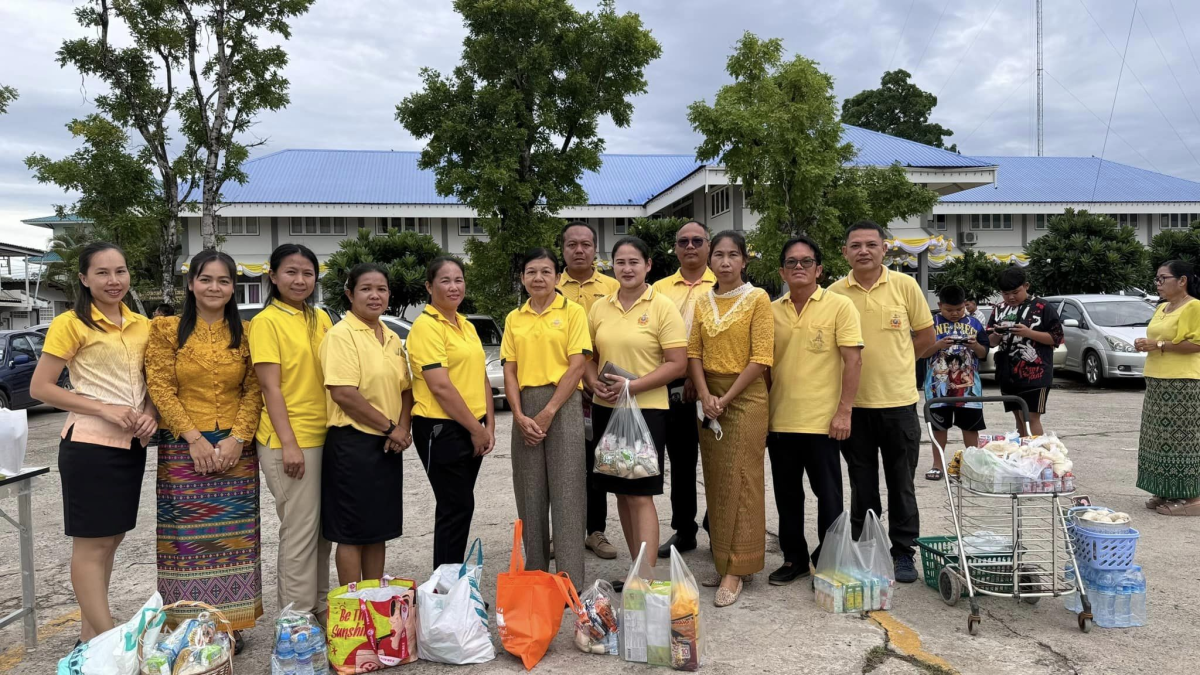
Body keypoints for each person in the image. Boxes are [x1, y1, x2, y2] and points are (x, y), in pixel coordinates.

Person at [30, 242, 157, 645]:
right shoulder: (71, 323)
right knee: (92, 545)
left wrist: (151, 412)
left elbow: (147, 382)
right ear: (84, 279)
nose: (113, 280)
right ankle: (109, 641)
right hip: (89, 447)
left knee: (111, 541)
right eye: (102, 273)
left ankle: (89, 638)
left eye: (120, 271)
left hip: (131, 448)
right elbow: (41, 387)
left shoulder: (142, 324)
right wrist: (103, 408)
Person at [145, 249, 262, 650]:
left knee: (233, 539)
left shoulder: (247, 333)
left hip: (236, 449)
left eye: (224, 281)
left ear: (233, 287)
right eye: (206, 279)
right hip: (182, 449)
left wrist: (238, 438)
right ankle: (187, 626)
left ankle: (230, 625)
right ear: (191, 283)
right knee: (185, 541)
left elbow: (255, 388)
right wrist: (193, 438)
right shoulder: (164, 330)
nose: (215, 287)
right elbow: (160, 386)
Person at [829, 221, 935, 584]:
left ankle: (904, 552)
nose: (863, 251)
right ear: (844, 252)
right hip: (853, 408)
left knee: (902, 483)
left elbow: (924, 337)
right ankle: (867, 549)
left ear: (884, 249)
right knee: (862, 484)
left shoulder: (905, 286)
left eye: (871, 244)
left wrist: (902, 362)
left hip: (899, 404)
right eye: (855, 245)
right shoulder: (834, 294)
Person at [586, 237, 687, 578]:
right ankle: (635, 570)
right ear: (612, 267)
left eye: (634, 262)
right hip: (606, 409)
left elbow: (677, 363)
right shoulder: (600, 307)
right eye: (620, 262)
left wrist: (633, 385)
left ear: (648, 266)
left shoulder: (661, 306)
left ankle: (646, 578)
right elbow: (589, 358)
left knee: (641, 495)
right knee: (621, 492)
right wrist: (592, 382)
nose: (627, 268)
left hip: (646, 411)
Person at [765, 235, 862, 586]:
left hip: (824, 423)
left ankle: (829, 557)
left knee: (829, 495)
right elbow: (763, 368)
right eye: (792, 263)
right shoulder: (771, 311)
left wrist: (844, 412)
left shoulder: (839, 306)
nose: (799, 268)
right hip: (781, 421)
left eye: (806, 262)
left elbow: (853, 361)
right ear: (782, 271)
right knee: (787, 496)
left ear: (819, 269)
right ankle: (793, 558)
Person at [687, 231, 773, 607]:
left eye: (732, 255)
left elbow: (762, 357)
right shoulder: (703, 301)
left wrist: (725, 397)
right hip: (710, 399)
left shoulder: (757, 298)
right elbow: (693, 352)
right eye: (718, 255)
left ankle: (739, 568)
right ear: (710, 261)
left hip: (746, 395)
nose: (724, 262)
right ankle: (724, 559)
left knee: (743, 477)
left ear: (744, 261)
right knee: (719, 479)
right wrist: (706, 395)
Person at [249, 243, 334, 620]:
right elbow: (271, 388)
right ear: (273, 276)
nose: (300, 280)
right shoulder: (266, 322)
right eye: (291, 272)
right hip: (290, 439)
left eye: (307, 273)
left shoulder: (321, 318)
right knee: (300, 531)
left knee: (322, 533)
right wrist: (289, 445)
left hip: (327, 434)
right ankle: (295, 621)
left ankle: (317, 607)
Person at [319, 263, 414, 584]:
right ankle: (354, 610)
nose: (375, 296)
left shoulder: (390, 336)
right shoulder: (341, 335)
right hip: (352, 445)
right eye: (366, 289)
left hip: (387, 445)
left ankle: (375, 600)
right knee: (352, 532)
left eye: (382, 289)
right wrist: (392, 428)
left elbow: (406, 389)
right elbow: (344, 393)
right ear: (350, 294)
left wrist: (403, 430)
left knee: (378, 529)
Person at [502, 248, 591, 585]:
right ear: (523, 278)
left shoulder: (573, 312)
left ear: (557, 276)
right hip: (524, 407)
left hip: (563, 404)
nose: (538, 278)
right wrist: (520, 415)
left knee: (568, 492)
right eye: (530, 272)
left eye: (545, 271)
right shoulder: (515, 318)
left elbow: (578, 365)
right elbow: (509, 370)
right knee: (530, 492)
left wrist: (549, 411)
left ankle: (570, 580)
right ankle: (536, 576)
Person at [407, 256, 495, 568]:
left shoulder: (466, 325)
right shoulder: (426, 327)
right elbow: (440, 386)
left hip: (473, 425)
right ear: (429, 286)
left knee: (461, 507)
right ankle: (444, 591)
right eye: (445, 280)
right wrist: (476, 429)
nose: (454, 286)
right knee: (454, 506)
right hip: (440, 429)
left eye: (458, 279)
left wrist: (489, 426)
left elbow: (481, 376)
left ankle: (452, 584)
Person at [556, 221, 621, 560]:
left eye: (585, 244)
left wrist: (593, 383)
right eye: (571, 244)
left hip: (601, 391)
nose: (579, 250)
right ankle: (562, 533)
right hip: (561, 392)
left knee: (598, 462)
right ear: (563, 249)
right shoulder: (549, 286)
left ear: (596, 249)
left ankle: (595, 531)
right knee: (563, 465)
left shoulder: (613, 286)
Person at [652, 220, 716, 557]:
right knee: (681, 461)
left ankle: (716, 524)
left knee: (719, 460)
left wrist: (699, 376)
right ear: (675, 248)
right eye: (683, 241)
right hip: (673, 385)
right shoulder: (659, 289)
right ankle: (684, 529)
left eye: (696, 240)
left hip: (716, 385)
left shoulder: (723, 283)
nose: (690, 247)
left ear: (708, 245)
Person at [1134, 261, 1200, 516]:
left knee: (1183, 440)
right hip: (1157, 378)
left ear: (1182, 280)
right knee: (1158, 438)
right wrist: (1147, 344)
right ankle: (1166, 489)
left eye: (1163, 279)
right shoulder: (1162, 307)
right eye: (1157, 280)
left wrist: (1159, 344)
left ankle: (1191, 496)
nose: (1158, 284)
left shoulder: (1194, 306)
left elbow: (1196, 344)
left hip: (1183, 381)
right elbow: (1160, 339)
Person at [920, 284, 988, 481]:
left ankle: (973, 466)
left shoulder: (975, 324)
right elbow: (921, 354)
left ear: (965, 305)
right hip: (937, 388)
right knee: (938, 427)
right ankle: (937, 465)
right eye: (949, 310)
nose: (955, 313)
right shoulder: (930, 324)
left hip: (969, 389)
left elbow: (983, 354)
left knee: (971, 427)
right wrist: (939, 345)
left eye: (959, 309)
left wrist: (975, 345)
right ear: (940, 305)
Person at [985, 267, 1063, 437]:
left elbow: (1056, 338)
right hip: (1007, 372)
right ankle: (1023, 455)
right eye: (1006, 293)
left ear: (1026, 286)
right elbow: (990, 342)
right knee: (1018, 416)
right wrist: (997, 334)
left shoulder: (1042, 307)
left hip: (1036, 372)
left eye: (1015, 292)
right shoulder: (998, 309)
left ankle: (1036, 455)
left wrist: (1029, 333)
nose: (1011, 297)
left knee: (1030, 416)